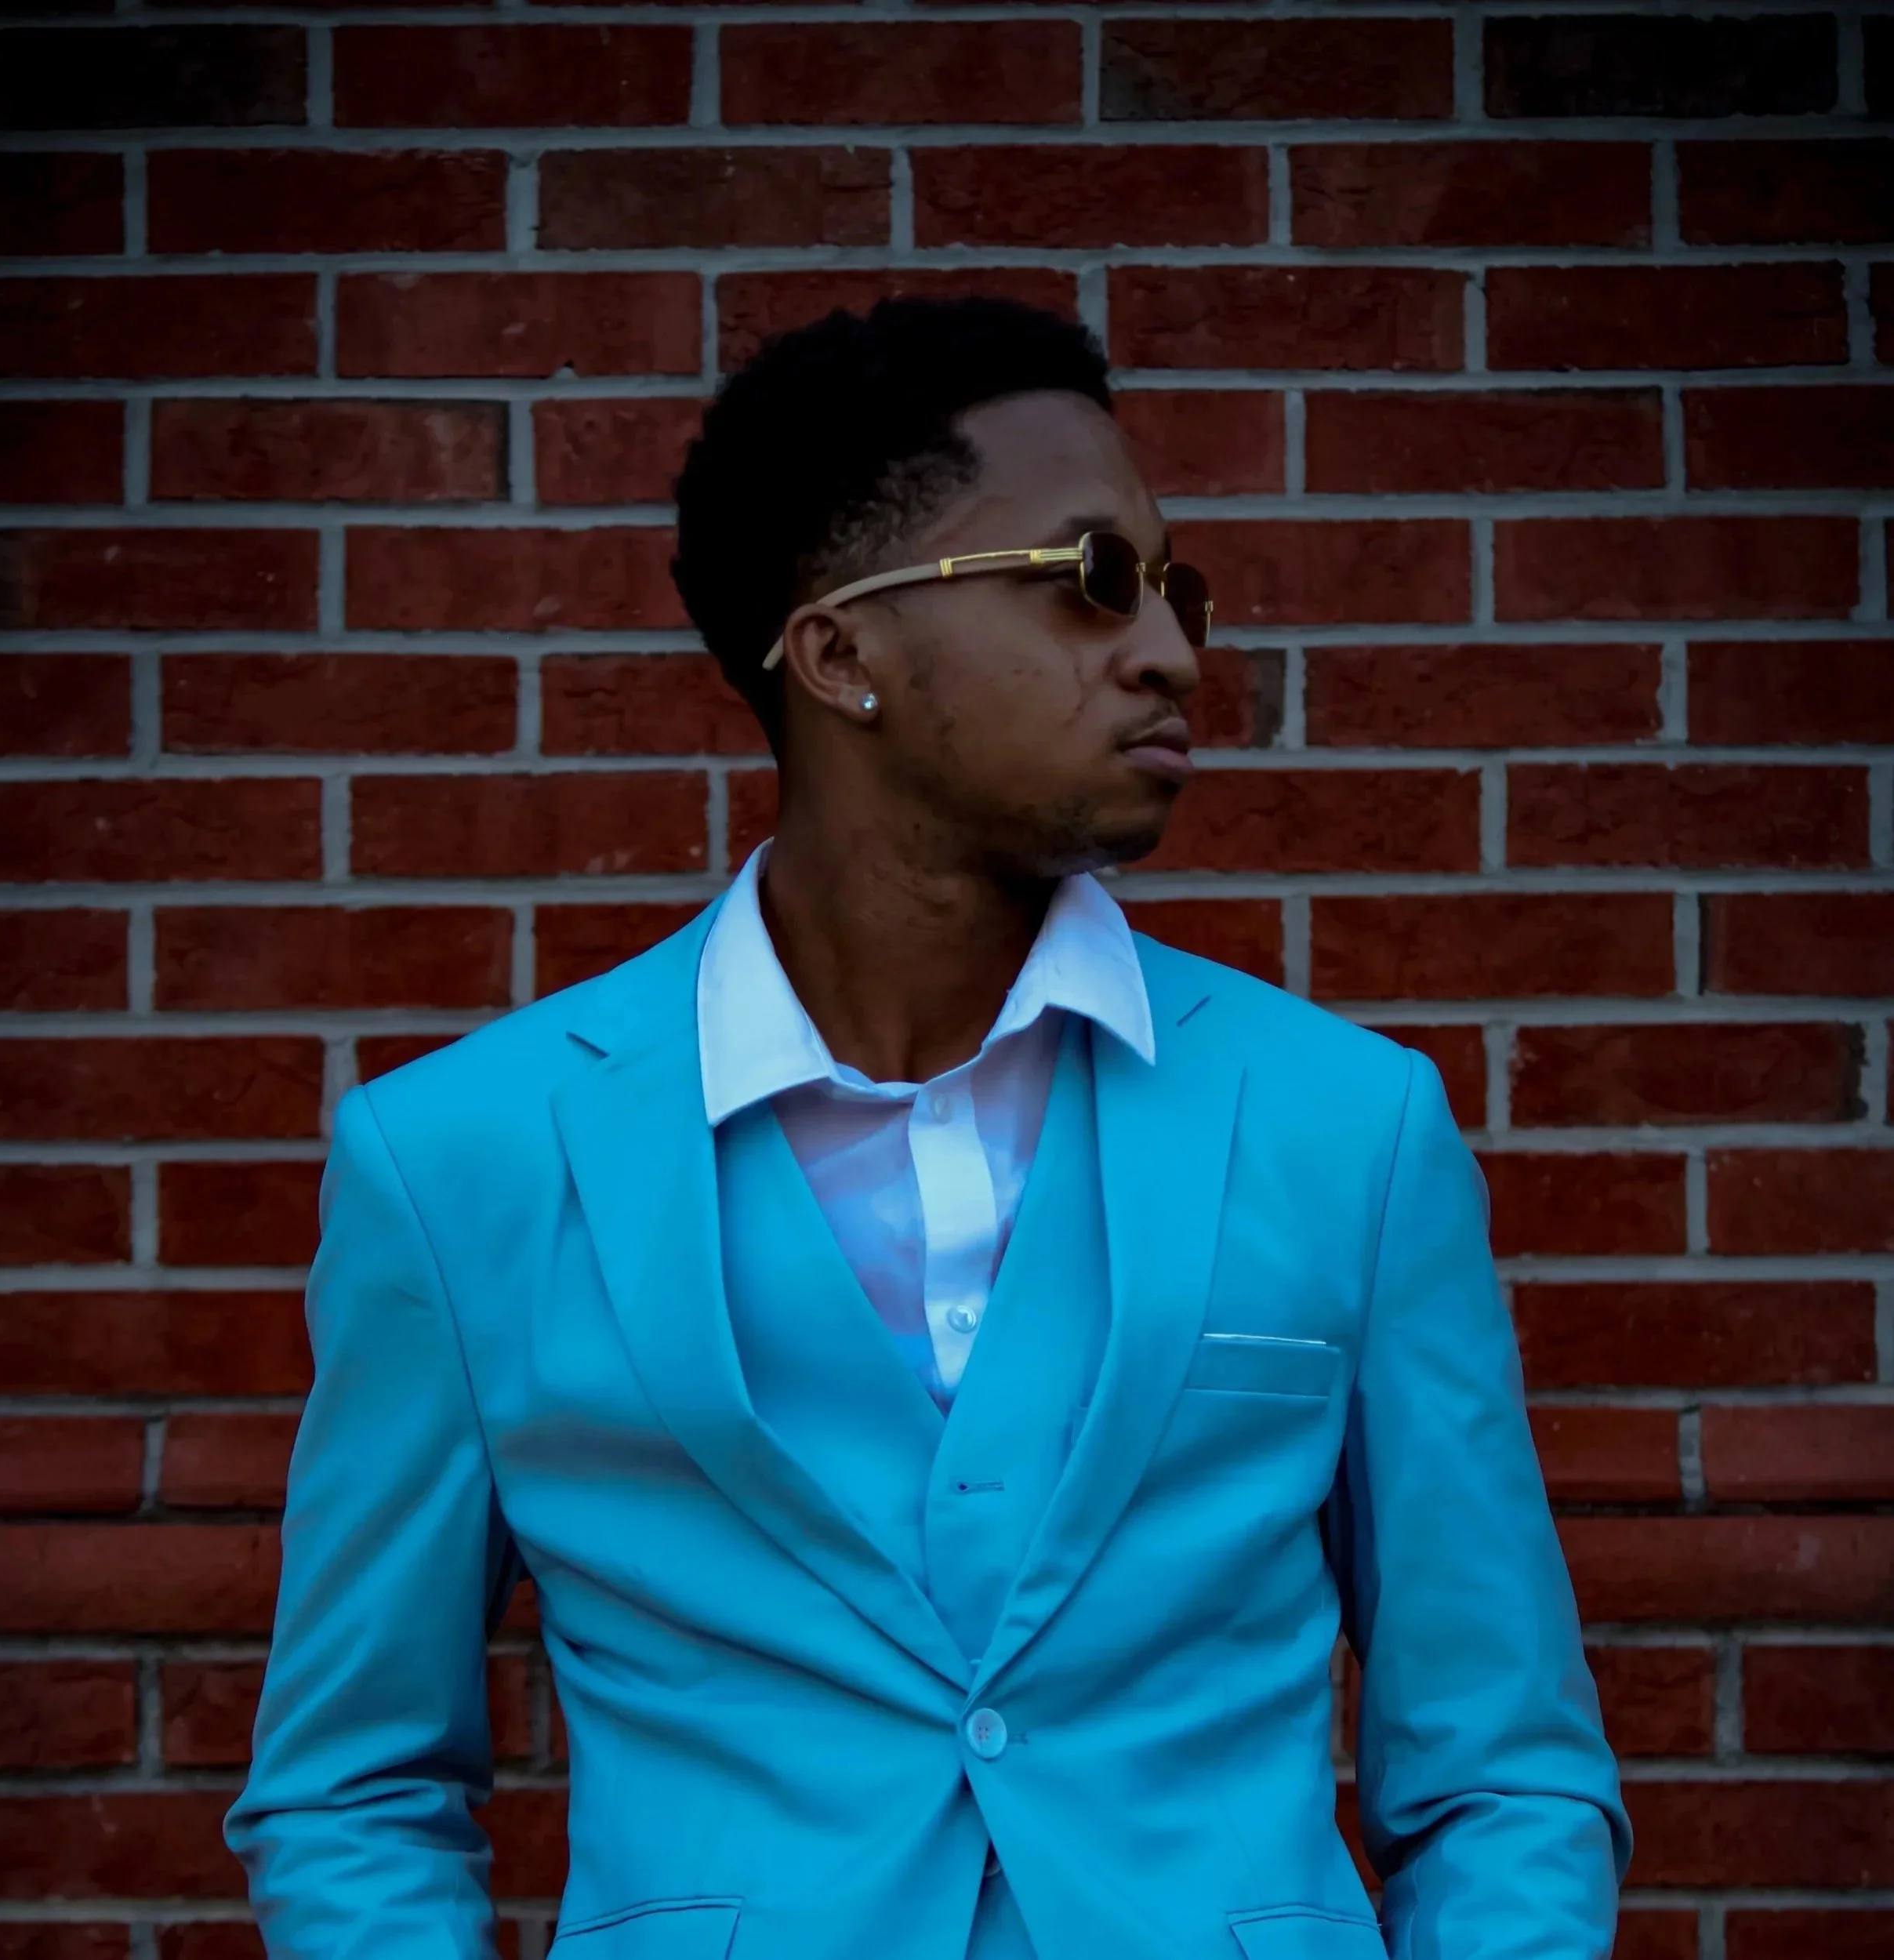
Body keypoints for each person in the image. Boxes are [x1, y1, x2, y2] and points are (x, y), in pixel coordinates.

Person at [224, 295, 1631, 1960]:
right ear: (839, 654)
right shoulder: (463, 1158)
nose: (1171, 650)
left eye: (1171, 589)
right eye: (1089, 579)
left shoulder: (1346, 1125)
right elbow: (351, 1785)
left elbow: (1499, 1767)